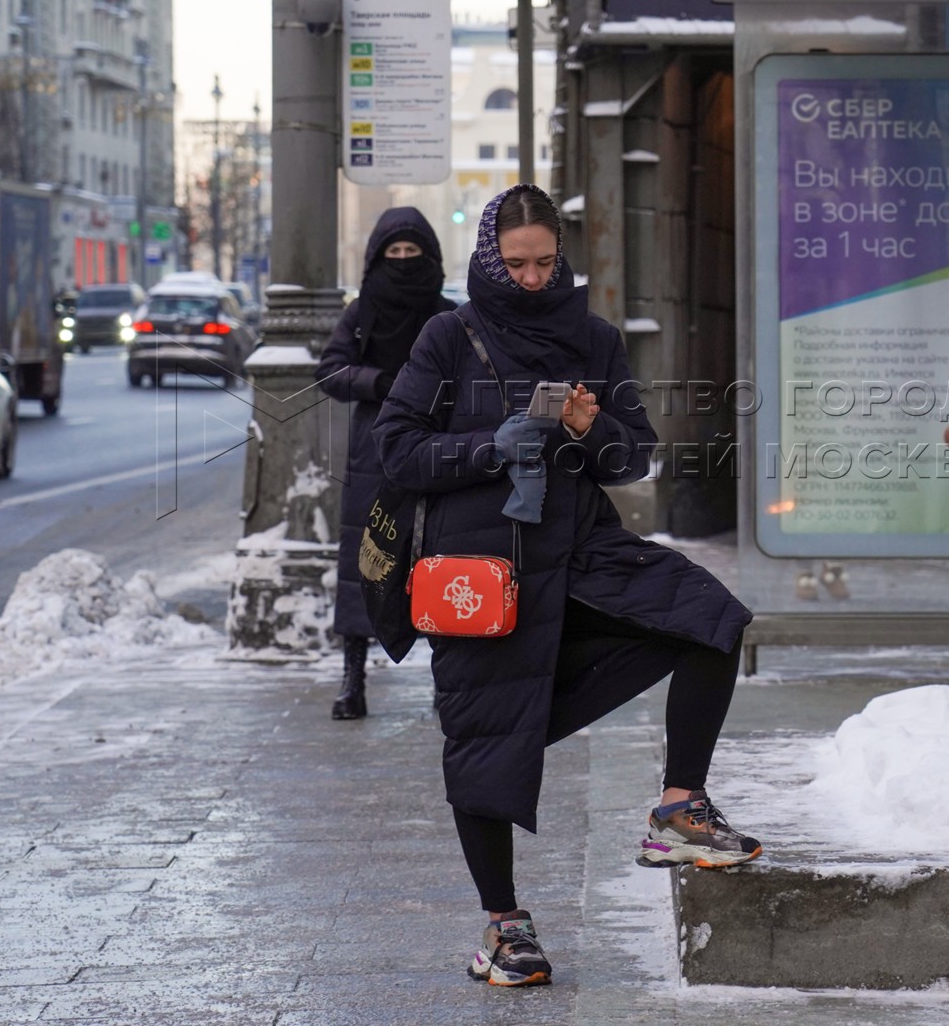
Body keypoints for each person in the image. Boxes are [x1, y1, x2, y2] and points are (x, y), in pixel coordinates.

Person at [374, 184, 760, 988]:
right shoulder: (449, 337)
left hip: (582, 552)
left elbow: (631, 460)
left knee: (712, 619)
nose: (531, 278)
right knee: (485, 740)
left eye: (545, 262)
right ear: (489, 258)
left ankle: (678, 808)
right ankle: (505, 928)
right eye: (515, 263)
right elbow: (398, 450)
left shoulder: (592, 338)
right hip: (480, 573)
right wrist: (491, 446)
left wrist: (589, 427)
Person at [315, 207, 453, 720]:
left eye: (412, 251)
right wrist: (379, 383)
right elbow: (330, 371)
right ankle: (353, 679)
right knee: (365, 562)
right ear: (377, 257)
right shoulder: (361, 312)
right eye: (393, 252)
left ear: (429, 255)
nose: (403, 260)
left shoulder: (446, 313)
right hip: (373, 452)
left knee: (440, 558)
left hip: (437, 445)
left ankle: (446, 681)